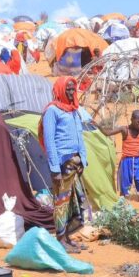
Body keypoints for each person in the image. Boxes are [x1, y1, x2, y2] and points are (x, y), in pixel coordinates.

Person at [38, 77, 88, 253]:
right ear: (60, 89)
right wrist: (54, 169)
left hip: (75, 163)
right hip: (62, 164)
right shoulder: (52, 111)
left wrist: (83, 158)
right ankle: (60, 240)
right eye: (67, 89)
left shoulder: (74, 110)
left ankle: (67, 236)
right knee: (62, 202)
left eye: (73, 89)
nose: (71, 92)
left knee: (74, 201)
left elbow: (79, 135)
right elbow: (49, 140)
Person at [94, 110, 139, 204]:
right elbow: (108, 133)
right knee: (125, 187)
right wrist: (98, 126)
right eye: (138, 122)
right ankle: (124, 210)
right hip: (126, 162)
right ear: (132, 119)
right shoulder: (124, 130)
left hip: (137, 161)